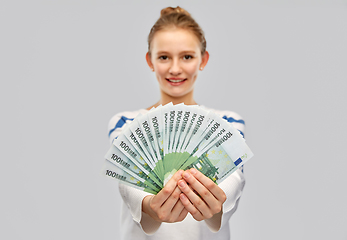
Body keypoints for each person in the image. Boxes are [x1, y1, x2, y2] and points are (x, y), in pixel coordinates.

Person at [108, 6, 246, 240]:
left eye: (187, 57)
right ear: (149, 61)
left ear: (203, 59)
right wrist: (150, 206)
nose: (174, 68)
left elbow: (234, 179)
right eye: (163, 57)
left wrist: (216, 201)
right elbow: (127, 182)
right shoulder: (125, 122)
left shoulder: (228, 122)